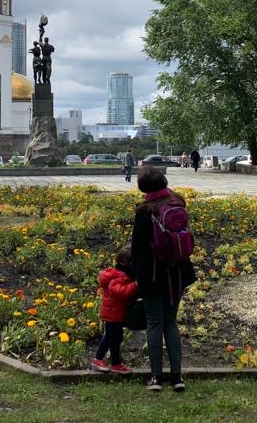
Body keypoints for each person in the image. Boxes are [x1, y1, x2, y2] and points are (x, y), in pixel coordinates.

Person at [130, 166, 196, 392]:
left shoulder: (144, 211)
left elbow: (137, 248)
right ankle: (177, 377)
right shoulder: (178, 201)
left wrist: (134, 275)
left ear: (143, 188)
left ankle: (156, 377)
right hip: (177, 272)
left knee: (154, 323)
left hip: (153, 274)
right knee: (171, 322)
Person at [90, 246, 137, 374]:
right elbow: (120, 292)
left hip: (115, 313)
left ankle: (99, 359)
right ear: (125, 263)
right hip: (113, 314)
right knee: (114, 339)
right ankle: (114, 362)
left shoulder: (120, 274)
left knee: (111, 337)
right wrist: (135, 285)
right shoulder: (117, 277)